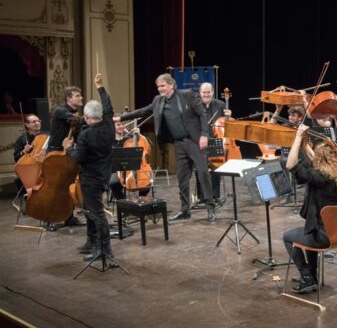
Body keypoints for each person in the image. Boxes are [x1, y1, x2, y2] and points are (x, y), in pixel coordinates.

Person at [115, 73, 216, 222]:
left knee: (202, 173)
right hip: (179, 143)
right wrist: (121, 118)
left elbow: (202, 114)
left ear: (171, 85)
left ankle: (210, 207)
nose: (160, 89)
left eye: (162, 86)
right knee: (182, 177)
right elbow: (143, 111)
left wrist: (204, 135)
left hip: (194, 141)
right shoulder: (158, 101)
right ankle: (184, 209)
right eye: (158, 87)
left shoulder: (186, 95)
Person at [282, 124, 337, 293]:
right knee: (306, 232)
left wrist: (297, 138)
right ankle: (312, 277)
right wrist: (306, 144)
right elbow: (317, 161)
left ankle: (306, 276)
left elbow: (291, 165)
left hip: (323, 236)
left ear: (321, 161)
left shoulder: (319, 178)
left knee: (288, 237)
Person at [62, 73, 116, 261]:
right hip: (103, 175)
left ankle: (105, 250)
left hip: (91, 179)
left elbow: (77, 159)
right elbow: (108, 107)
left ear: (86, 117)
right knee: (89, 209)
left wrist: (68, 149)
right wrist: (99, 87)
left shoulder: (86, 135)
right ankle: (91, 242)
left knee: (96, 213)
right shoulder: (109, 124)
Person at [46, 85, 85, 228]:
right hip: (55, 153)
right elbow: (79, 120)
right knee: (54, 187)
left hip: (66, 152)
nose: (81, 98)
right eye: (77, 96)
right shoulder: (60, 110)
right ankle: (49, 219)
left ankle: (69, 218)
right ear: (69, 99)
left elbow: (79, 131)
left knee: (68, 184)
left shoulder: (74, 113)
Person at [194, 82, 227, 205]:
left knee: (215, 168)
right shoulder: (196, 105)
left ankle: (215, 195)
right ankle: (202, 196)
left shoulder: (220, 105)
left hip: (215, 139)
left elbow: (225, 123)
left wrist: (228, 116)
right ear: (200, 93)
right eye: (204, 92)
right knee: (200, 169)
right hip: (200, 140)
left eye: (209, 92)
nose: (206, 94)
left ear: (212, 92)